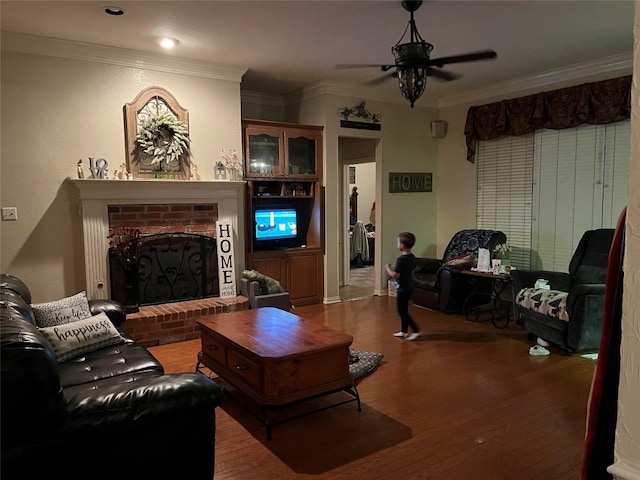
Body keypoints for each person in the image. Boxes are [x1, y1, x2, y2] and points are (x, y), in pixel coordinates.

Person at [385, 231, 422, 341]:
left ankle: (416, 330)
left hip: (403, 289)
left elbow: (394, 275)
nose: (397, 244)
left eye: (398, 242)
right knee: (404, 309)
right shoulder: (412, 257)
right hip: (409, 286)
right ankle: (404, 331)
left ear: (402, 245)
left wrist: (387, 268)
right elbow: (412, 271)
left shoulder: (401, 259)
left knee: (402, 311)